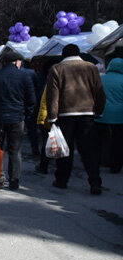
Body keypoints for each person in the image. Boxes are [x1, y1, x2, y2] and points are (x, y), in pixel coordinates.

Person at [46, 44, 106, 194]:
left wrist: (52, 116)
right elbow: (98, 90)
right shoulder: (91, 67)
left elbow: (53, 95)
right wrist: (98, 110)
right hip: (87, 113)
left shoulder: (57, 69)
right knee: (89, 150)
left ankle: (61, 180)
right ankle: (95, 182)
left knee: (65, 150)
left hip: (65, 114)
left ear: (63, 55)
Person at [0, 47, 35, 191]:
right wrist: (26, 115)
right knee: (15, 150)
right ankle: (14, 180)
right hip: (17, 117)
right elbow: (31, 99)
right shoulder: (24, 77)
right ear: (16, 62)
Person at [95, 58, 123, 173]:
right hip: (119, 116)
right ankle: (115, 166)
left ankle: (98, 162)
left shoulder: (101, 79)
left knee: (98, 141)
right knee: (118, 142)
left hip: (102, 115)